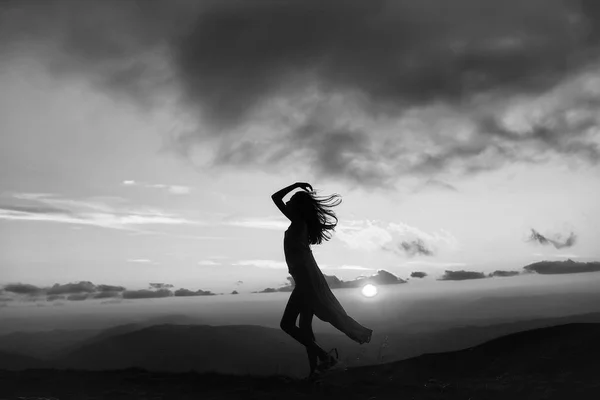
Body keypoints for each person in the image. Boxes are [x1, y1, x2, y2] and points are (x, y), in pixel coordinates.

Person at [271, 182, 373, 377]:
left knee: (287, 325)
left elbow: (275, 198)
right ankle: (314, 374)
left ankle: (325, 357)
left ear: (298, 207)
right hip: (307, 279)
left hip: (305, 281)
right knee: (305, 328)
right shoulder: (301, 224)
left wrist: (295, 185)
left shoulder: (299, 222)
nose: (289, 203)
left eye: (292, 201)